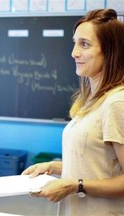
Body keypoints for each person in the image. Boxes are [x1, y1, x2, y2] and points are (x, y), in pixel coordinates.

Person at [22, 8, 124, 216]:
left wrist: (74, 185)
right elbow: (98, 165)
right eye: (75, 43)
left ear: (110, 50)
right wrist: (53, 166)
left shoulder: (116, 103)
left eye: (84, 44)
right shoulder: (91, 100)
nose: (74, 52)